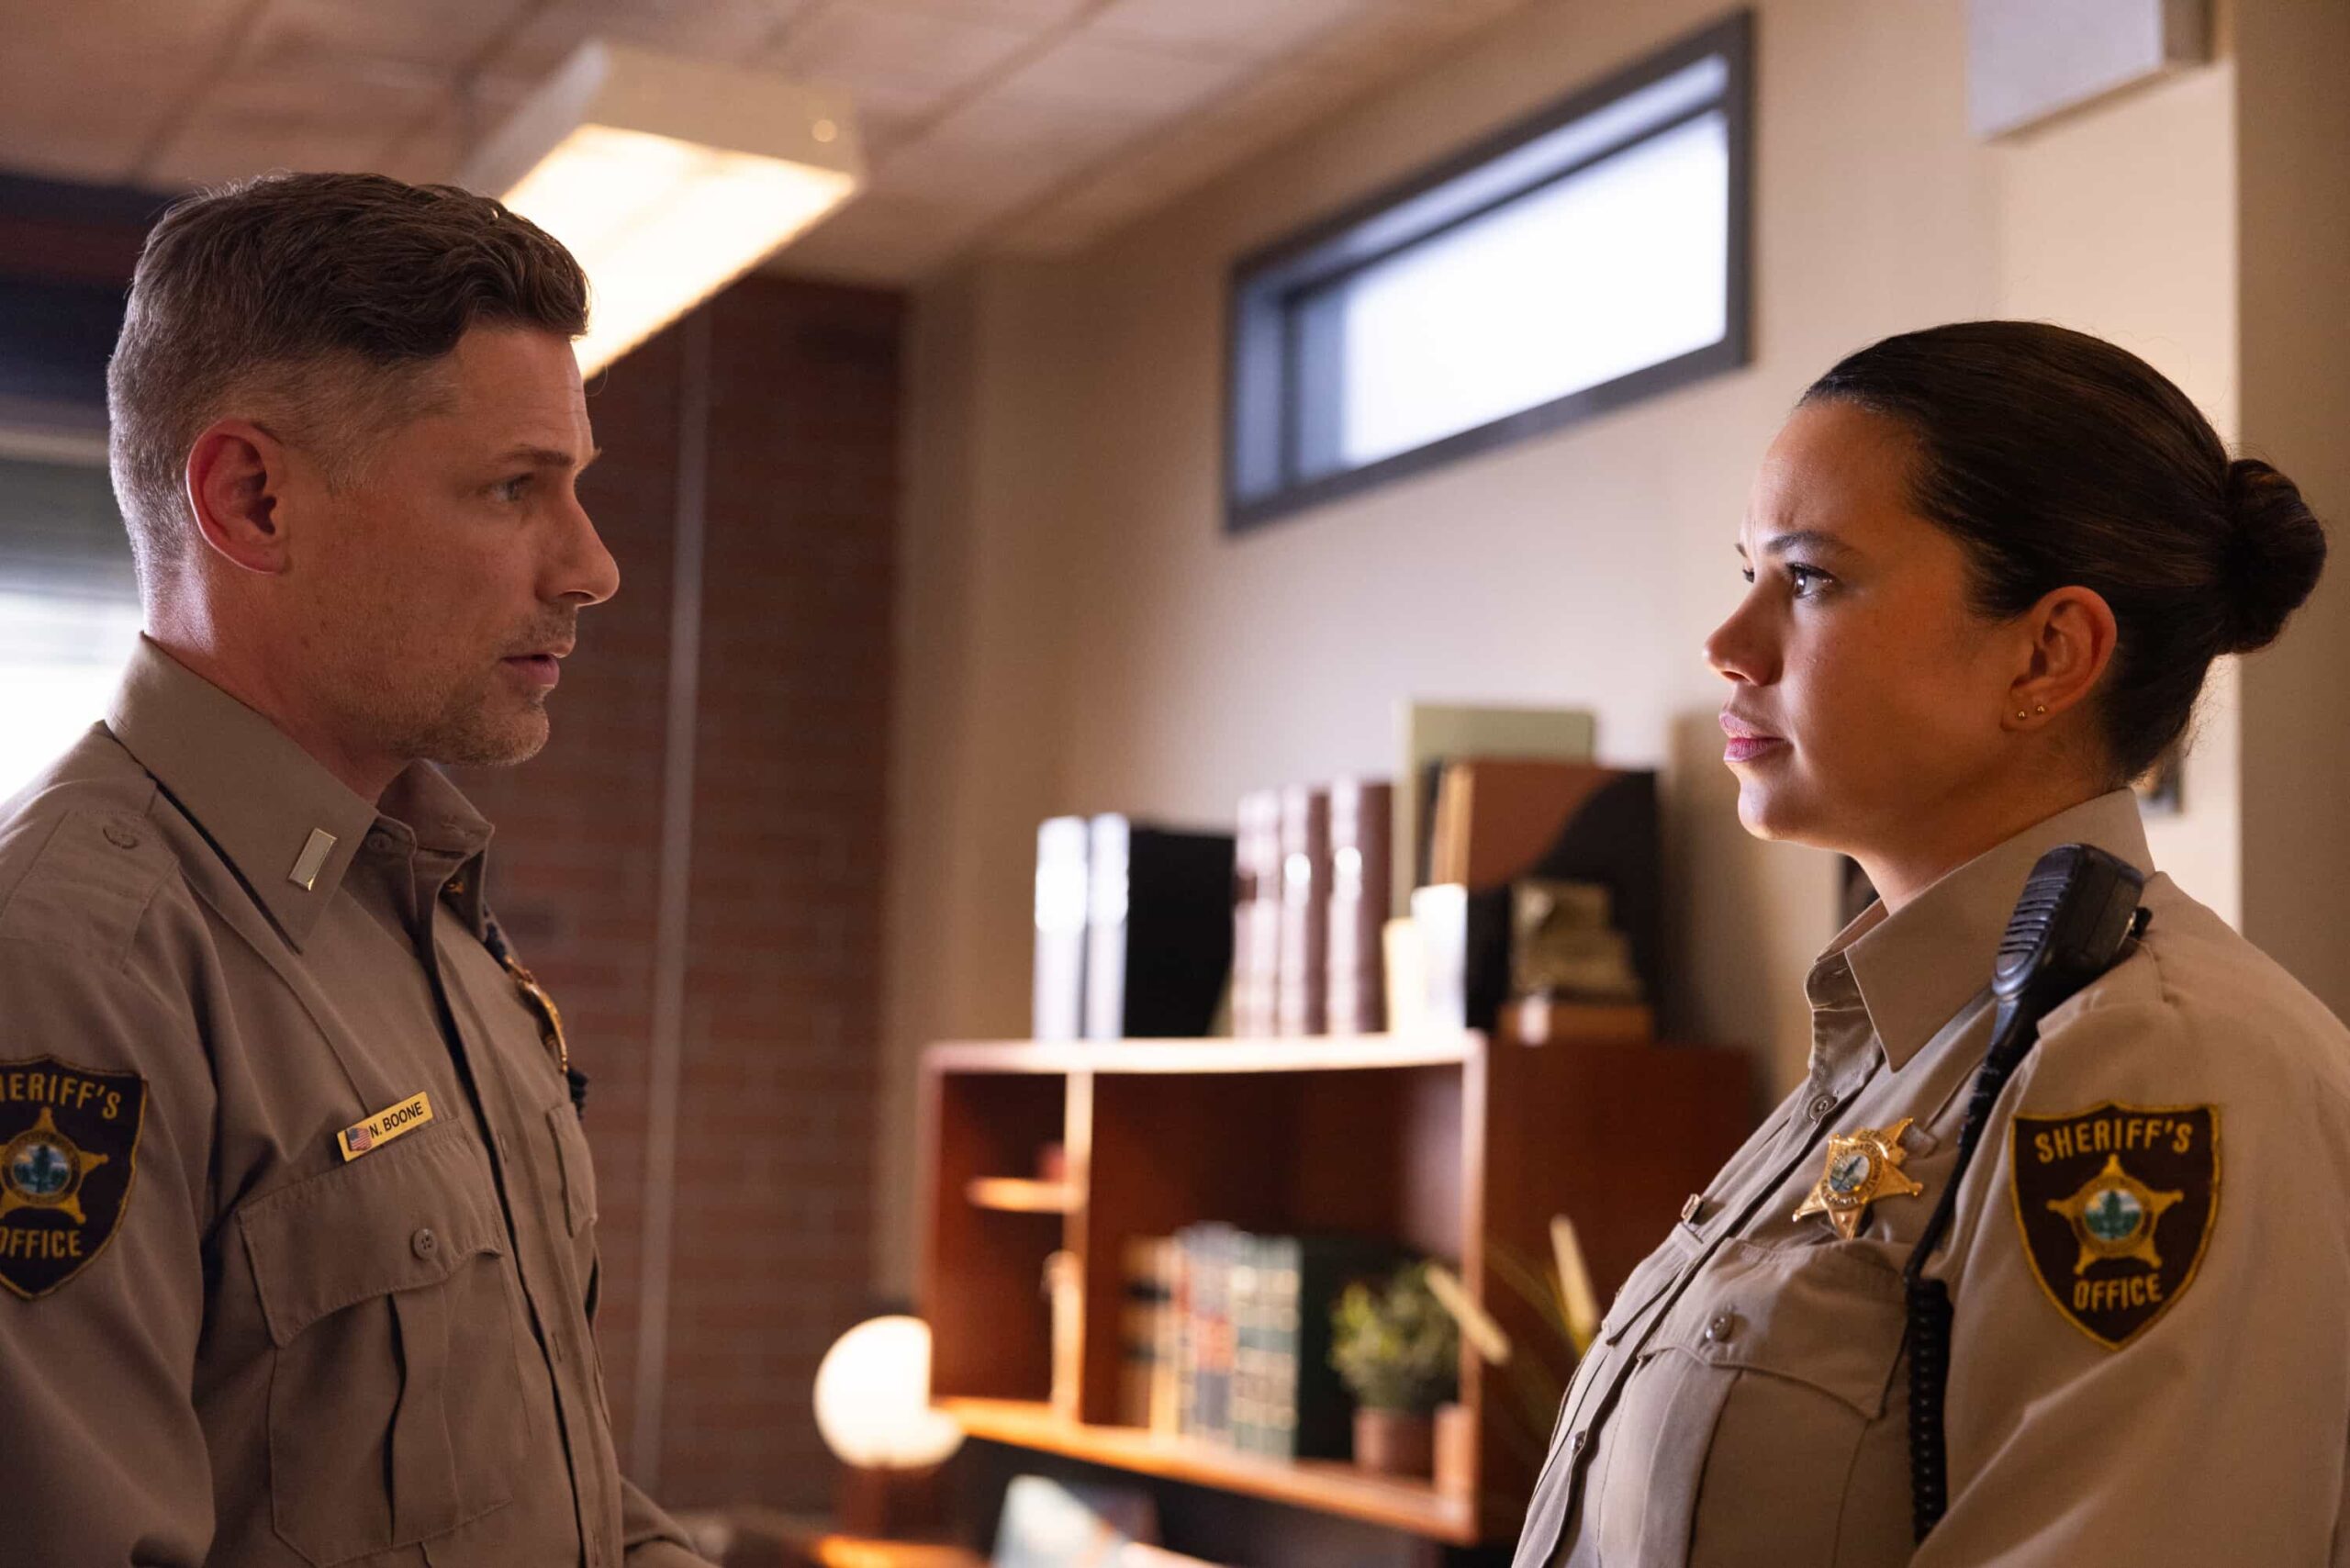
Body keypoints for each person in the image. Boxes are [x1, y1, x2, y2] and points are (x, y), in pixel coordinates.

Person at [1512, 320, 2342, 1566]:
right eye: (1749, 571)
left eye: (1809, 579)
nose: (1731, 645)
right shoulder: (1906, 1047)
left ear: (2048, 653)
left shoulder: (2154, 1065)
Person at [0, 173, 713, 1565]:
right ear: (254, 500)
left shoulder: (423, 921)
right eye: (516, 489)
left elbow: (540, 1482)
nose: (593, 567)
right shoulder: (72, 967)